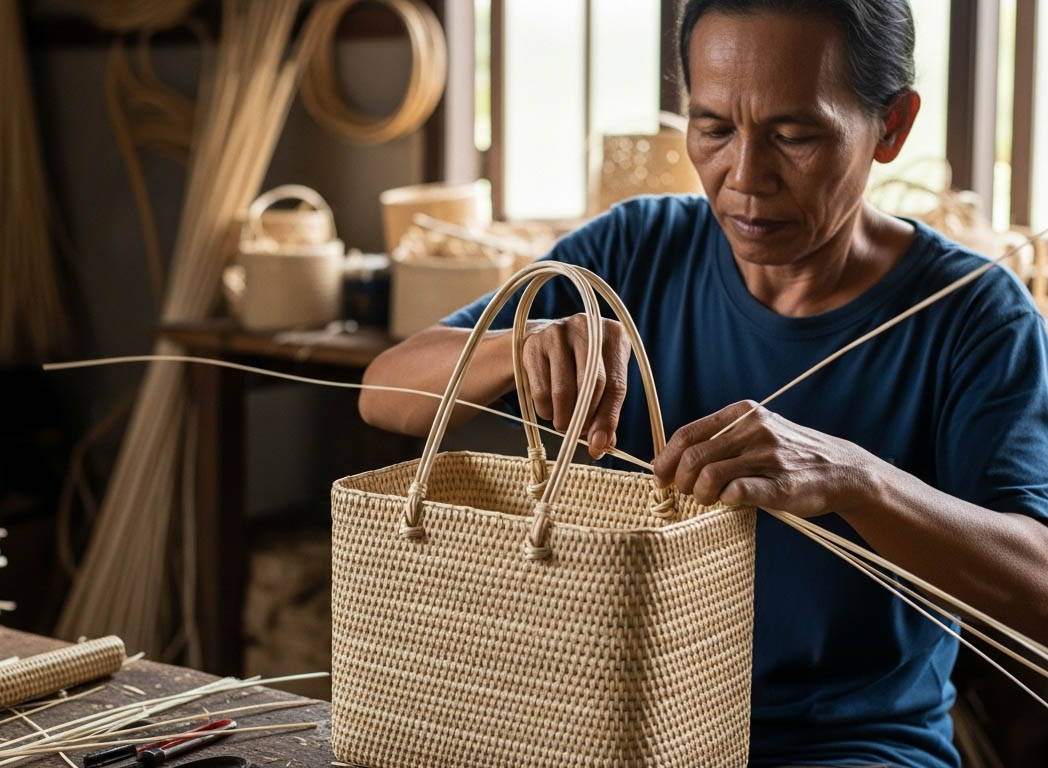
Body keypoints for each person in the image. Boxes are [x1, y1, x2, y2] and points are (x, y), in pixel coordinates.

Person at [359, 1, 1048, 765]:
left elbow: (1038, 587)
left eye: (794, 135)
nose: (745, 177)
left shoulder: (973, 314)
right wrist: (517, 348)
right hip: (612, 725)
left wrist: (858, 479)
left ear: (891, 127)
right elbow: (383, 392)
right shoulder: (635, 247)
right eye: (714, 128)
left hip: (842, 747)